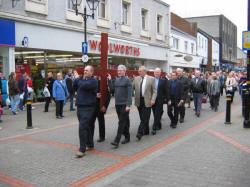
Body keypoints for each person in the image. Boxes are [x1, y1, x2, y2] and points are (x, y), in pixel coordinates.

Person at [74, 66, 98, 158]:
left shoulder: (93, 81)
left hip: (88, 107)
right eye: (84, 70)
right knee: (86, 126)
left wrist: (77, 79)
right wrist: (76, 80)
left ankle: (82, 149)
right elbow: (74, 87)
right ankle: (90, 144)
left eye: (86, 71)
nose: (84, 72)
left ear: (91, 72)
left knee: (82, 127)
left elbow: (84, 85)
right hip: (80, 106)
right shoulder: (82, 80)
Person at [108, 65, 132, 148]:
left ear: (124, 71)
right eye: (118, 70)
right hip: (117, 104)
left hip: (125, 104)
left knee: (121, 122)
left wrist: (128, 105)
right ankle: (127, 137)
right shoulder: (116, 80)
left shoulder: (128, 80)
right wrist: (110, 80)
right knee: (124, 121)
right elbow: (112, 90)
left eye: (121, 70)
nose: (119, 72)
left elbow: (130, 93)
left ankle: (116, 140)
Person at [133, 66, 157, 141]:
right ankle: (146, 130)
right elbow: (132, 87)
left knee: (144, 118)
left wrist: (153, 99)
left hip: (148, 101)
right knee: (142, 117)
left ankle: (139, 133)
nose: (138, 72)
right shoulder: (136, 78)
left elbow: (154, 91)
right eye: (138, 71)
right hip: (139, 101)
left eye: (140, 71)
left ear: (145, 71)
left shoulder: (151, 79)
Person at [89, 76, 111, 143]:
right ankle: (90, 138)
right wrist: (95, 95)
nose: (95, 77)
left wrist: (105, 106)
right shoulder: (91, 84)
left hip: (100, 106)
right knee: (90, 123)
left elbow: (108, 96)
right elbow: (88, 94)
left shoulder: (103, 84)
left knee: (101, 122)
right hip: (92, 106)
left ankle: (102, 137)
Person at [151, 68, 169, 135]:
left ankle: (154, 128)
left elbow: (166, 91)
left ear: (160, 73)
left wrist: (167, 99)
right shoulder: (151, 80)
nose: (157, 74)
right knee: (154, 113)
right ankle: (159, 124)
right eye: (156, 72)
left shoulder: (163, 81)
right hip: (152, 100)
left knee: (157, 113)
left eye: (158, 72)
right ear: (154, 73)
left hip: (160, 100)